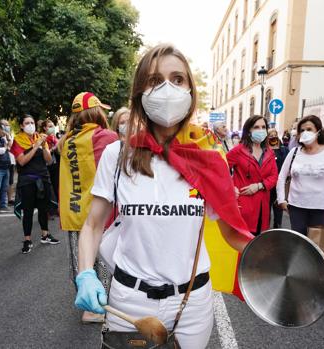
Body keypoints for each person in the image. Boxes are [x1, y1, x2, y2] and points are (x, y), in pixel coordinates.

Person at [73, 44, 252, 348]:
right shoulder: (117, 155)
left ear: (191, 90)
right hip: (129, 303)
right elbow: (92, 225)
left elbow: (233, 234)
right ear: (140, 91)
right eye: (155, 80)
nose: (168, 88)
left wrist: (285, 259)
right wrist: (85, 274)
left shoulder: (209, 158)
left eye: (178, 79)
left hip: (192, 304)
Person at [59, 92, 118, 323]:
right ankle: (97, 309)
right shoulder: (107, 136)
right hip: (99, 210)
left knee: (82, 259)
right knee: (103, 257)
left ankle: (88, 303)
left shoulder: (65, 141)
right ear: (97, 111)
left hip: (74, 209)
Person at [276, 115, 324, 235]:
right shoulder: (294, 152)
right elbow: (281, 177)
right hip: (296, 207)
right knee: (298, 242)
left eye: (309, 129)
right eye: (301, 130)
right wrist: (281, 199)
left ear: (318, 131)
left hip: (321, 209)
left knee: (315, 244)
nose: (305, 133)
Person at [10, 115, 60, 254]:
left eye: (32, 122)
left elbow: (49, 160)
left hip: (43, 178)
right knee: (28, 211)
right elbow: (22, 161)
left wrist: (44, 146)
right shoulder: (18, 141)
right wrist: (35, 146)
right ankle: (27, 240)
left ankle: (45, 234)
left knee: (43, 209)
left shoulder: (40, 137)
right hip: (27, 180)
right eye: (27, 123)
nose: (30, 125)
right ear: (21, 126)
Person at [227, 116, 278, 235]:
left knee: (258, 243)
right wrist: (231, 186)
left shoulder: (269, 152)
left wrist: (259, 185)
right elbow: (222, 170)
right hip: (244, 204)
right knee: (243, 243)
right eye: (256, 127)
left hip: (263, 206)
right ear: (248, 130)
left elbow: (274, 176)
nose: (261, 130)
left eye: (263, 127)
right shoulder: (237, 151)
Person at [266, 128, 288, 228]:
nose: (273, 137)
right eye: (270, 135)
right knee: (266, 209)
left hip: (279, 184)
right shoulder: (264, 150)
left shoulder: (283, 150)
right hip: (267, 184)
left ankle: (277, 227)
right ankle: (265, 229)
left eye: (274, 134)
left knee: (278, 208)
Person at [41, 119, 60, 209]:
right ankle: (48, 209)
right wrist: (52, 149)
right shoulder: (41, 137)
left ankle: (56, 207)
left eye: (53, 126)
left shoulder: (54, 137)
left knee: (56, 186)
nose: (52, 128)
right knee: (48, 187)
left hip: (55, 165)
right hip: (45, 166)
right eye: (50, 126)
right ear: (44, 128)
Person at [0, 119, 16, 204]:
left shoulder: (11, 135)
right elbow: (8, 147)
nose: (7, 127)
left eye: (7, 125)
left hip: (11, 160)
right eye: (4, 125)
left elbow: (13, 148)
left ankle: (10, 199)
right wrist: (8, 138)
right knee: (2, 181)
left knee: (10, 181)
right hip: (3, 161)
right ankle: (1, 201)